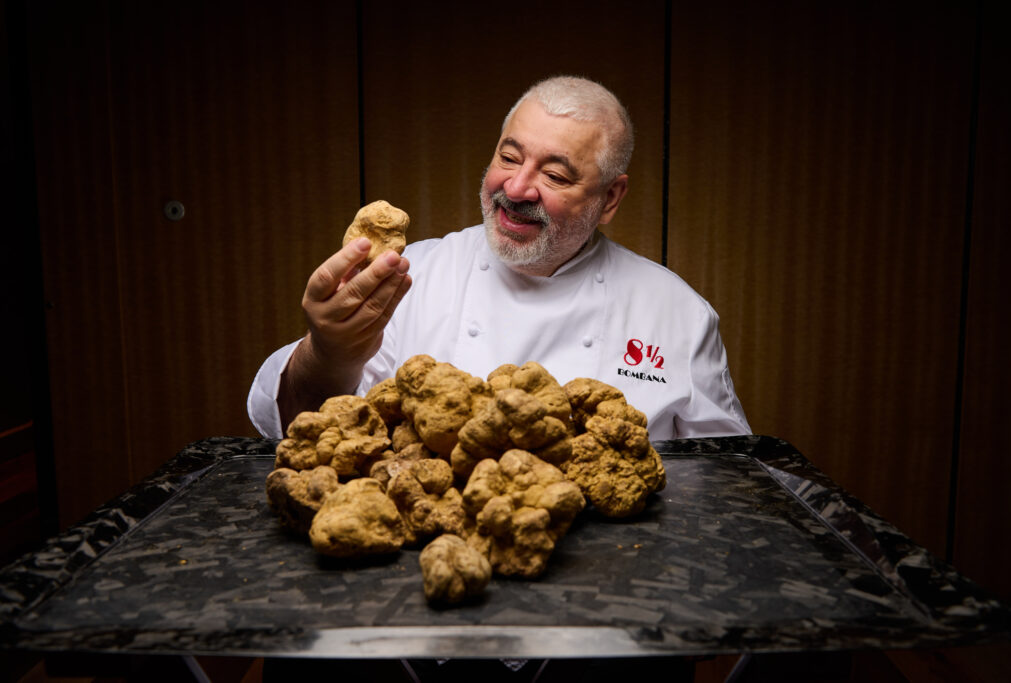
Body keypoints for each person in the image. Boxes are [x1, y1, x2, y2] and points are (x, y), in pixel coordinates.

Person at [248, 75, 749, 444]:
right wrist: (327, 354)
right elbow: (298, 431)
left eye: (554, 175)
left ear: (611, 199)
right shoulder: (410, 278)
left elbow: (730, 480)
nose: (516, 187)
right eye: (509, 157)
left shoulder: (678, 313)